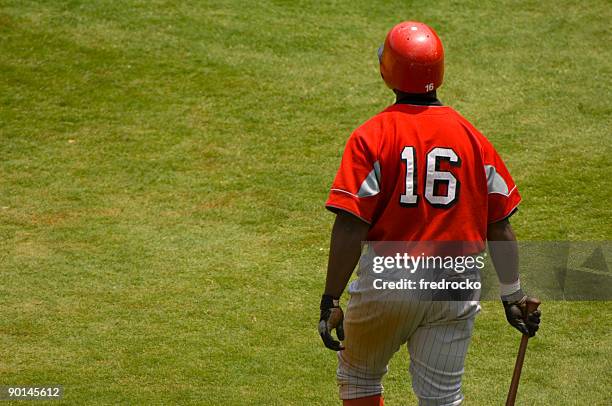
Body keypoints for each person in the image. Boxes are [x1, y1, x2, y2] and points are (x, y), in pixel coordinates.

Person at [318, 21, 541, 406]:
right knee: (442, 397)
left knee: (358, 379)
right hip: (456, 282)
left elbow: (351, 225)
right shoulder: (473, 139)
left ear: (387, 71)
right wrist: (512, 295)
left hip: (390, 280)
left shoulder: (371, 136)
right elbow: (499, 224)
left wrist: (330, 299)